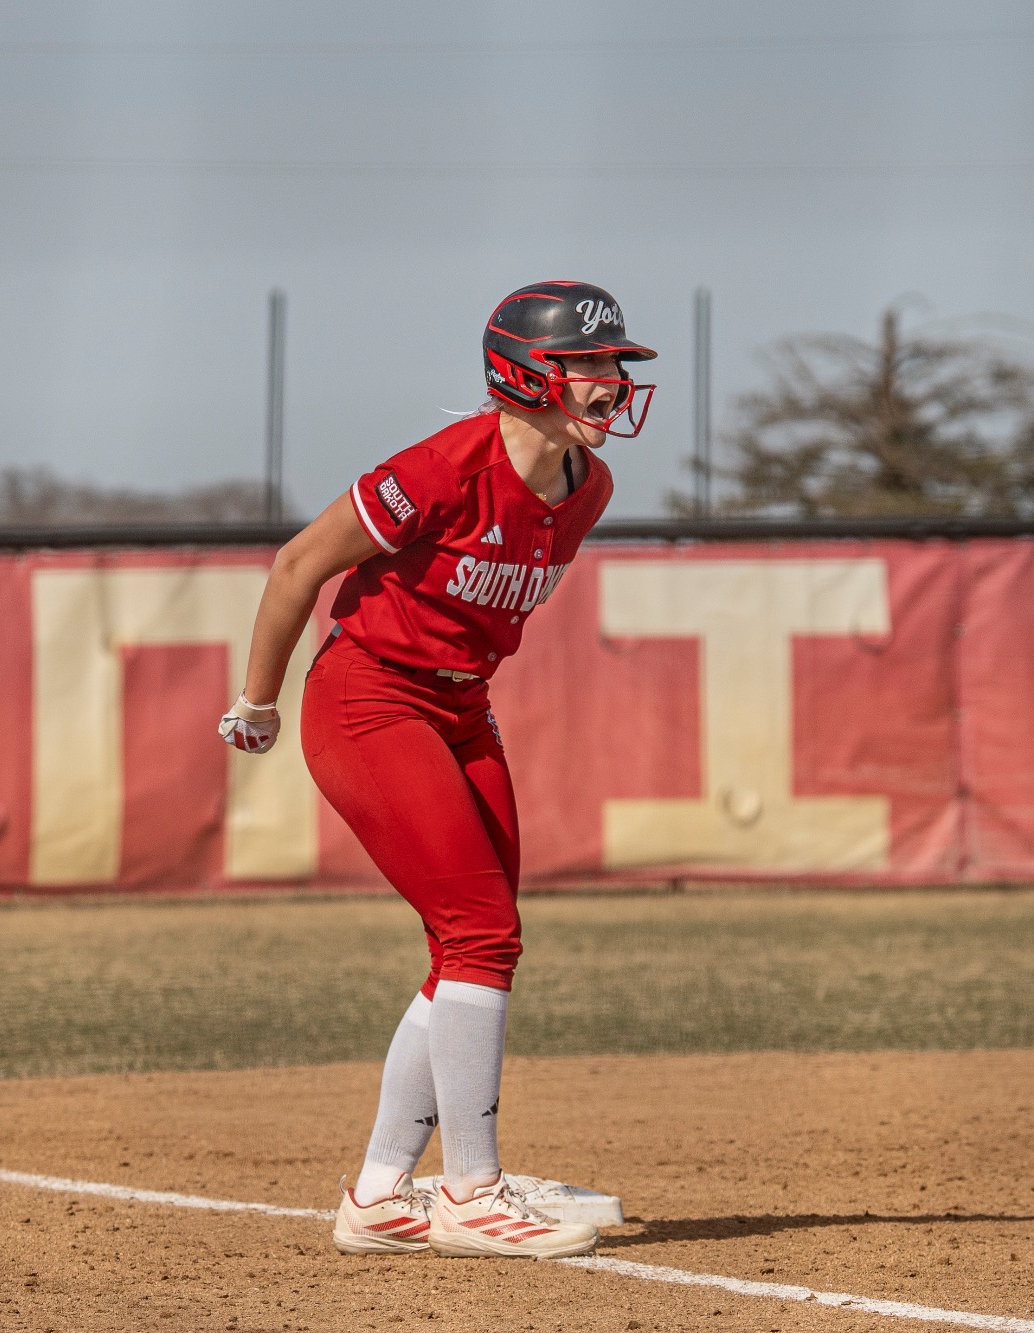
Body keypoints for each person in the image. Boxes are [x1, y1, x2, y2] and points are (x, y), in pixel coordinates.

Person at [218, 280, 654, 1258]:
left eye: (613, 364)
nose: (609, 381)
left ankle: (380, 1194)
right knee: (480, 933)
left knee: (471, 945)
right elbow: (299, 565)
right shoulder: (444, 467)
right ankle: (470, 1190)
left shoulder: (587, 489)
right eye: (587, 364)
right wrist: (256, 702)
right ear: (523, 371)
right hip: (369, 696)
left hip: (460, 706)